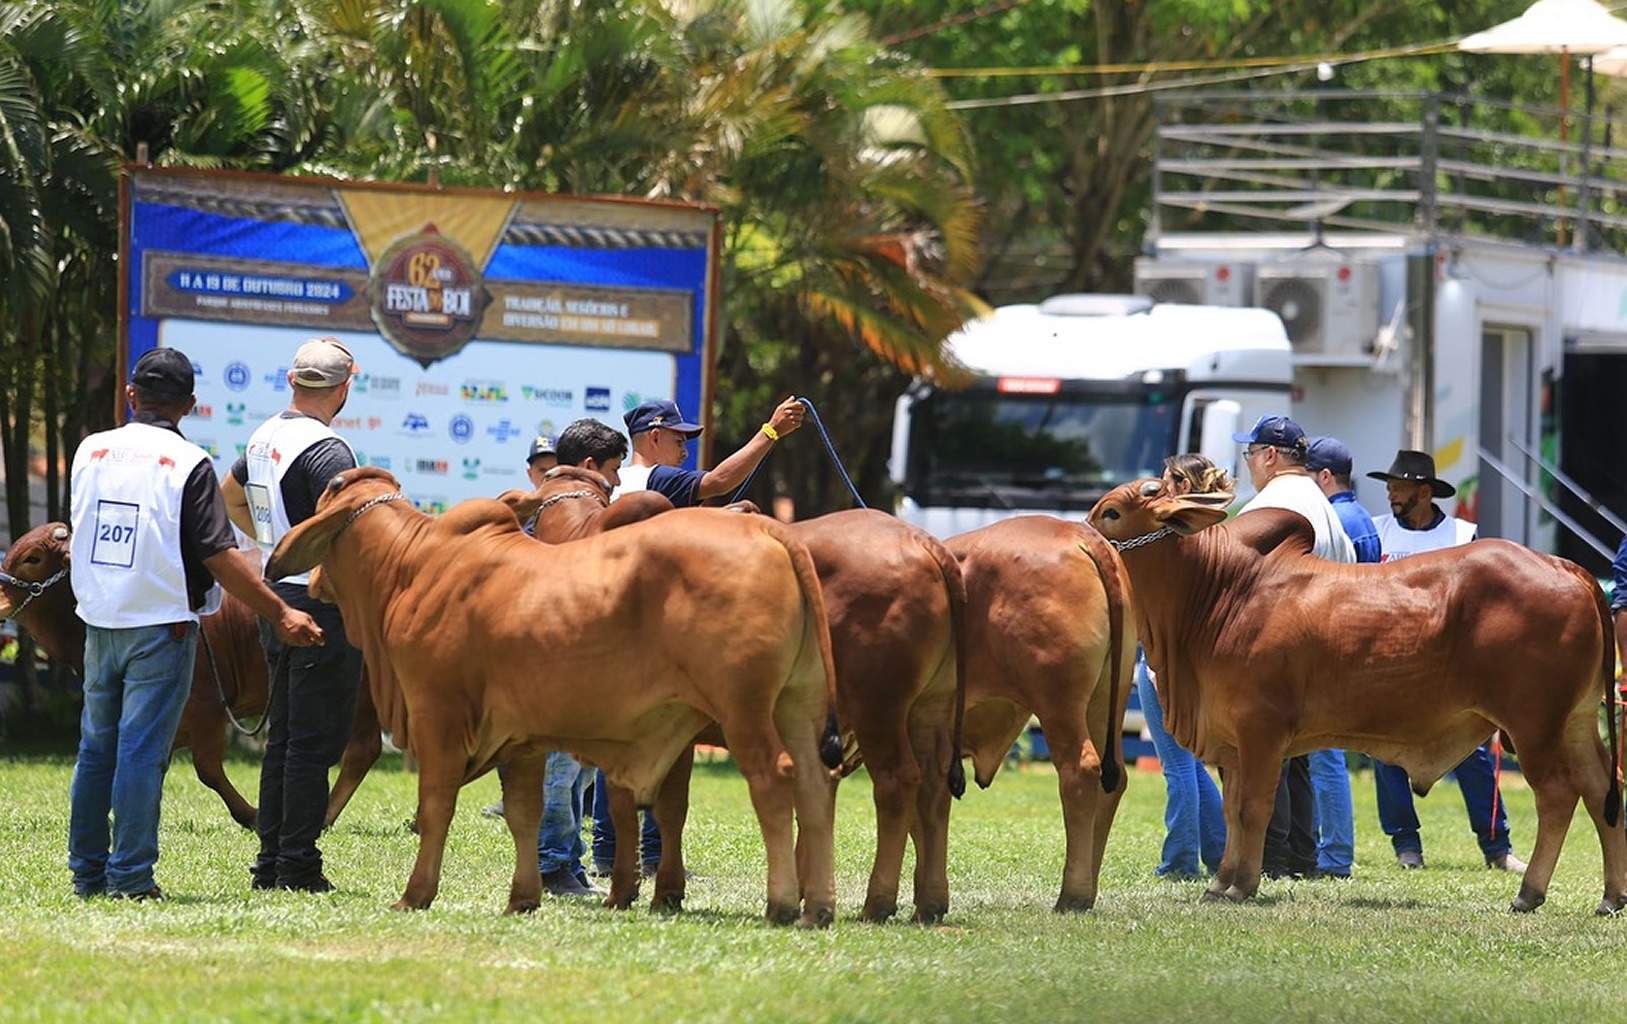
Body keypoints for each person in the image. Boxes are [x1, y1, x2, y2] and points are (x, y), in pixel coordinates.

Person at [68, 347, 324, 901]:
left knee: (96, 748)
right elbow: (219, 555)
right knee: (140, 751)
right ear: (188, 405)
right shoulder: (188, 464)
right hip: (162, 626)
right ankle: (130, 878)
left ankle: (87, 874)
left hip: (99, 621)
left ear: (130, 396)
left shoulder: (89, 451)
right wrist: (279, 609)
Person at [222, 337, 365, 893]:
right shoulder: (329, 450)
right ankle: (297, 866)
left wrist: (272, 543)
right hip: (317, 600)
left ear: (292, 381)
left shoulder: (265, 435)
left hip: (275, 594)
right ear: (345, 386)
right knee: (312, 742)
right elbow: (347, 537)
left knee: (285, 738)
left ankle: (272, 862)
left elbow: (228, 495)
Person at [1367, 449, 1527, 874]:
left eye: (1398, 487)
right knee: (1386, 754)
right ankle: (1406, 846)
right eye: (1389, 486)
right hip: (1391, 663)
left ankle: (1497, 847)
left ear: (1424, 492)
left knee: (1471, 753)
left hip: (1449, 669)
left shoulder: (1462, 536)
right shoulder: (1374, 532)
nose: (1390, 494)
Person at [1232, 415, 1356, 880]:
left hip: (1276, 644)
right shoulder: (1322, 503)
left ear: (1268, 456)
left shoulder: (1269, 505)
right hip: (1326, 643)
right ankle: (1304, 856)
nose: (1248, 464)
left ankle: (1274, 857)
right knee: (1301, 753)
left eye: (1249, 454)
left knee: (1265, 752)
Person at [1138, 453, 1228, 879]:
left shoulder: (1173, 540)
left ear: (1178, 485)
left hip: (1165, 656)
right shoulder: (1209, 535)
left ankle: (1178, 861)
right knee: (1191, 764)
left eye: (1164, 480)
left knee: (1177, 766)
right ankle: (1219, 851)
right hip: (1187, 657)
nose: (1157, 487)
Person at [1300, 435, 1377, 880]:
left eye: (1310, 474)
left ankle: (1336, 856)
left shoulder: (1334, 519)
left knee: (1325, 755)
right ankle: (1330, 851)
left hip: (1335, 646)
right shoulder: (1360, 516)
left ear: (1324, 476)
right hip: (1357, 642)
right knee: (1327, 756)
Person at [614, 396, 804, 505]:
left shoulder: (613, 481)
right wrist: (771, 431)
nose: (685, 453)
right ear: (655, 437)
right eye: (679, 442)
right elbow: (719, 481)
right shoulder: (657, 478)